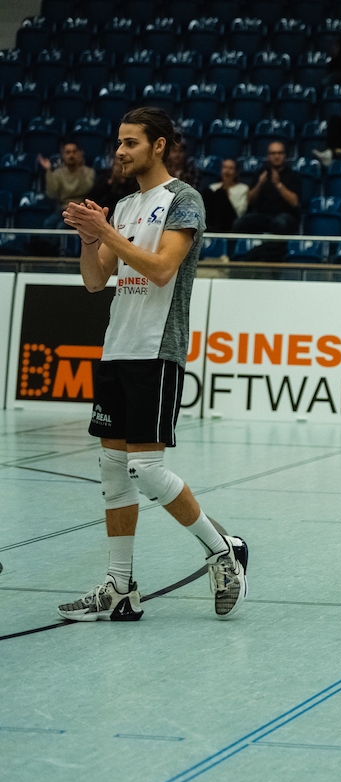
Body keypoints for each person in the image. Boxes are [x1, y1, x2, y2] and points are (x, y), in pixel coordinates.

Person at [57, 106, 247, 623]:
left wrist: (107, 232)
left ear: (159, 145)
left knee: (145, 469)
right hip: (117, 347)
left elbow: (162, 270)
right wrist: (91, 238)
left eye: (131, 142)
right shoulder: (122, 206)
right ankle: (120, 589)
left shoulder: (184, 200)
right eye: (119, 142)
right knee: (113, 471)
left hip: (156, 349)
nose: (120, 151)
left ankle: (223, 551)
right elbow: (96, 281)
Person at [233, 141, 301, 260]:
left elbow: (294, 202)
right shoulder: (261, 174)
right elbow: (249, 200)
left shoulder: (293, 175)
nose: (276, 156)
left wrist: (278, 185)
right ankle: (233, 257)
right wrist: (259, 184)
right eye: (273, 153)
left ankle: (254, 254)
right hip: (263, 216)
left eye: (280, 153)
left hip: (285, 216)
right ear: (268, 156)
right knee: (239, 223)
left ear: (284, 156)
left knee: (281, 223)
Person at [40, 139, 96, 249]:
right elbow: (52, 193)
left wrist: (80, 169)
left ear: (79, 154)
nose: (71, 155)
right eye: (68, 152)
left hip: (81, 209)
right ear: (63, 155)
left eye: (74, 152)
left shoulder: (89, 172)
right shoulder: (58, 173)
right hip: (62, 209)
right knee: (48, 223)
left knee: (61, 227)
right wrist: (48, 171)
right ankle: (45, 251)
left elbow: (86, 189)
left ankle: (59, 253)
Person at [204, 158, 248, 233]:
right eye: (225, 168)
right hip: (212, 219)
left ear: (236, 172)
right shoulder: (213, 187)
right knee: (207, 191)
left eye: (231, 168)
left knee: (220, 193)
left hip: (232, 219)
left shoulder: (243, 188)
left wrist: (227, 197)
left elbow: (240, 212)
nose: (227, 171)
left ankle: (217, 230)